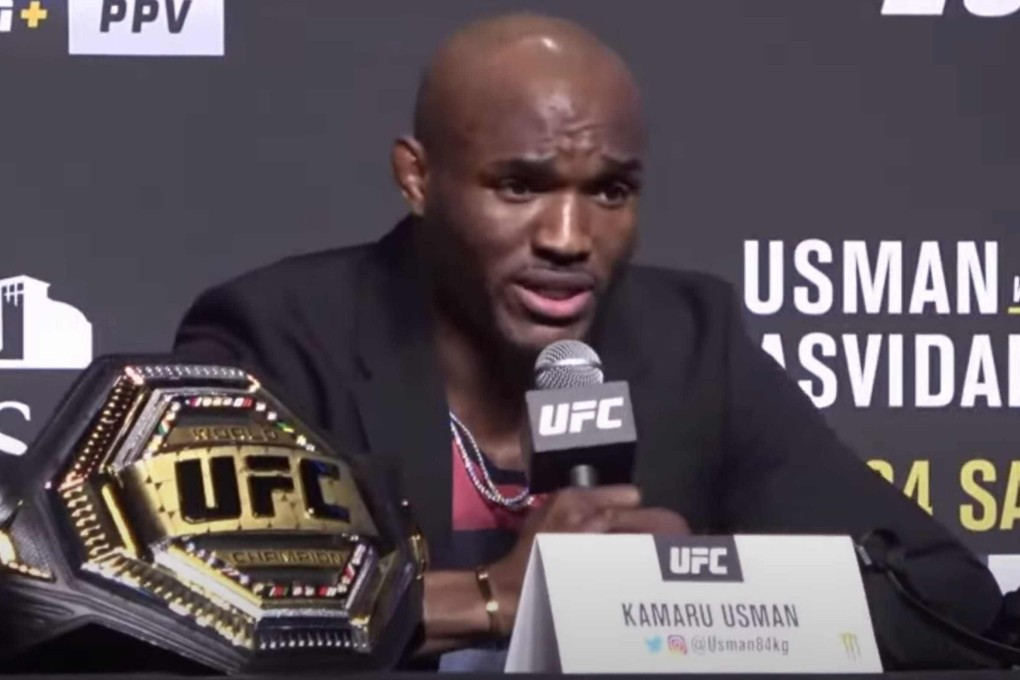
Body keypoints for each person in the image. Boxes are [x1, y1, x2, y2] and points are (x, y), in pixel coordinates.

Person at [173, 12, 1010, 671]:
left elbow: (944, 594)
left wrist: (703, 594)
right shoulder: (279, 337)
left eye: (610, 192)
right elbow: (182, 606)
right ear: (418, 177)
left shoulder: (692, 341)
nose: (570, 238)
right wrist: (496, 597)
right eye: (519, 186)